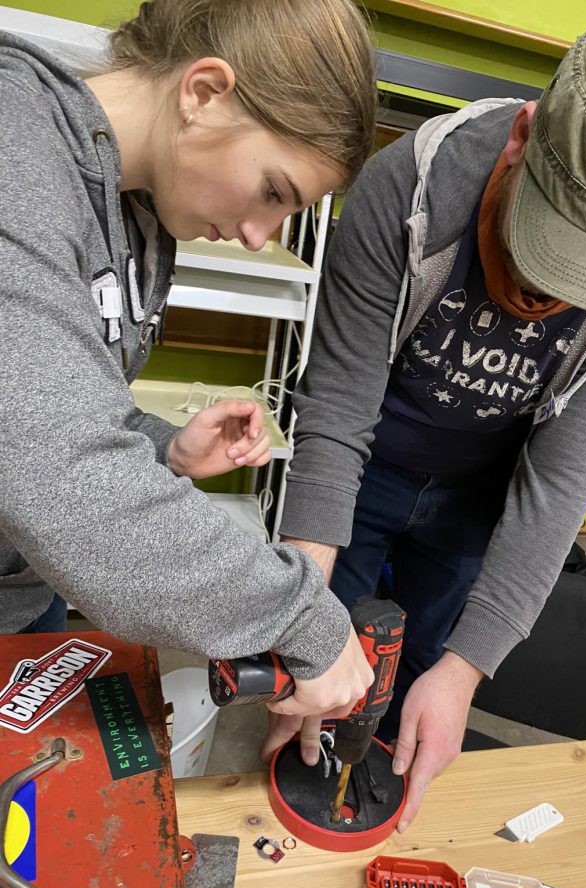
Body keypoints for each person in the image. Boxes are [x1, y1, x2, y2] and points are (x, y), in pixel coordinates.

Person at [266, 18, 586, 829]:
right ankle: (313, 772)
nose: (548, 301)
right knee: (325, 661)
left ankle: (384, 775)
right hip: (365, 472)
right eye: (543, 250)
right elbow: (336, 421)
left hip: (479, 494)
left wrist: (464, 673)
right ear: (521, 139)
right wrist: (298, 625)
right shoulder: (410, 188)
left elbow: (563, 479)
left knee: (427, 657)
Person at [0, 0, 378, 724]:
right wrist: (303, 619)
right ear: (203, 93)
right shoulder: (12, 146)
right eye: (273, 191)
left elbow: (42, 407)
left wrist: (157, 445)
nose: (258, 236)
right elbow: (61, 476)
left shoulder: (139, 215)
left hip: (24, 588)